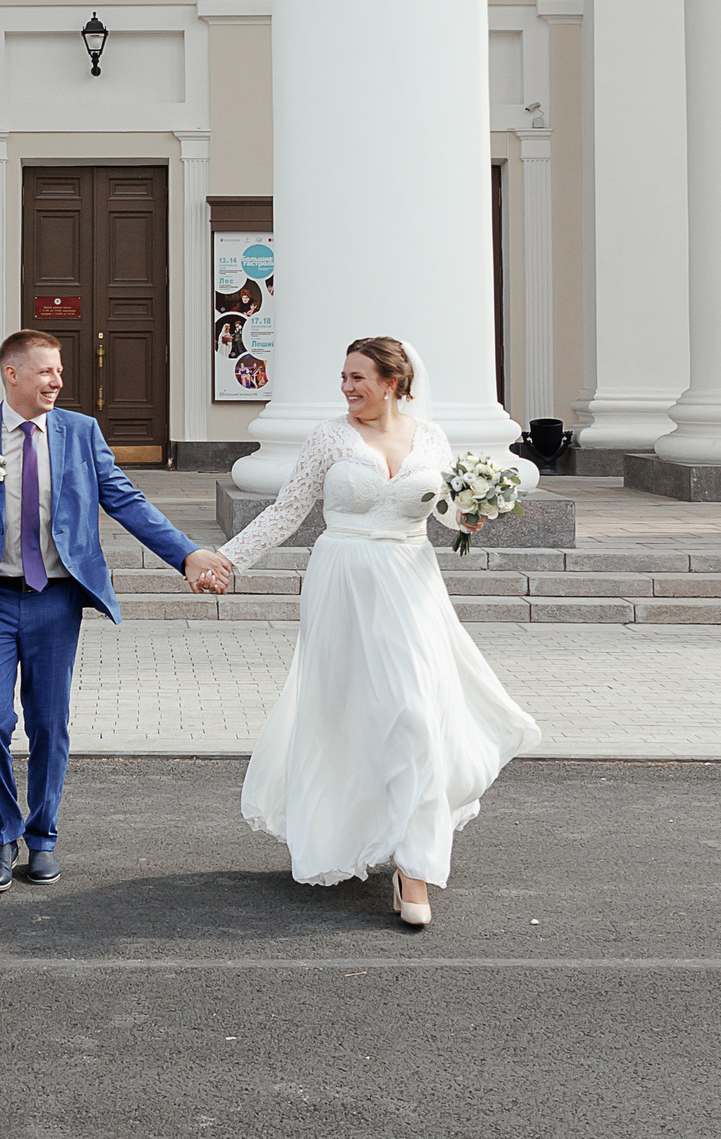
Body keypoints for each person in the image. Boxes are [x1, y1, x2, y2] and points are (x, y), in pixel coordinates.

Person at [0, 329, 236, 894]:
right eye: (46, 371)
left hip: (55, 600)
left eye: (59, 372)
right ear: (12, 374)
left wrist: (187, 555)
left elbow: (126, 500)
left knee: (49, 725)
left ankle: (42, 838)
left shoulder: (80, 433)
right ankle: (1, 836)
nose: (58, 381)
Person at [203, 336, 542, 929]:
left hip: (410, 585)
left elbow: (444, 512)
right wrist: (227, 560)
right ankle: (346, 830)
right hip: (341, 581)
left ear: (393, 382)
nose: (348, 387)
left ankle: (415, 869)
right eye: (344, 377)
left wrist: (471, 514)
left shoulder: (430, 439)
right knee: (346, 712)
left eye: (359, 377)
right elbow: (287, 510)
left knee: (413, 712)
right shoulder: (328, 437)